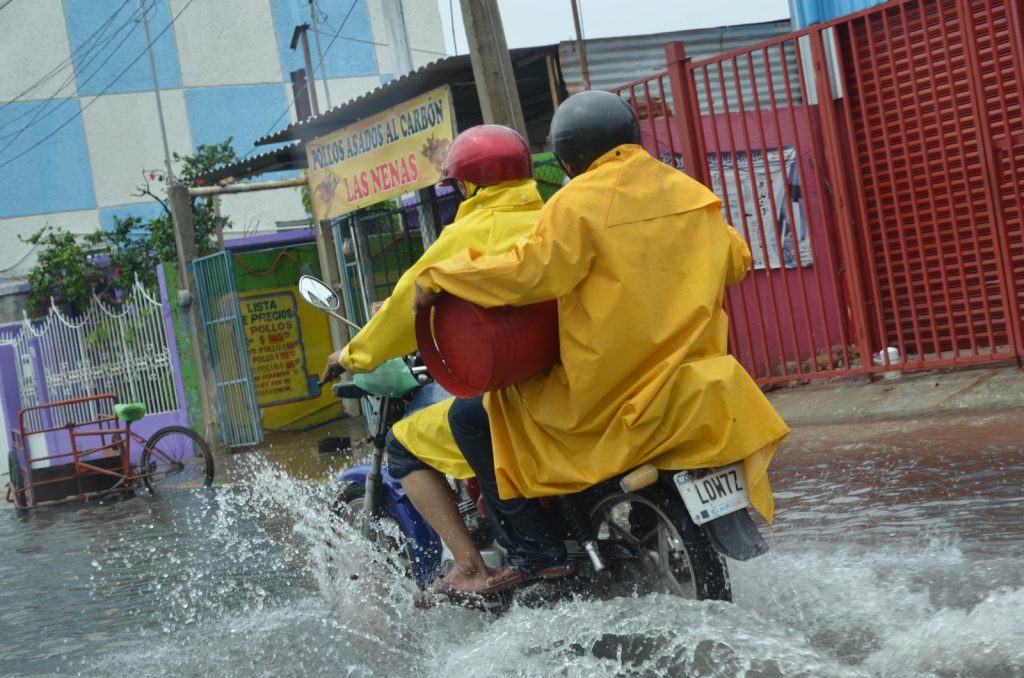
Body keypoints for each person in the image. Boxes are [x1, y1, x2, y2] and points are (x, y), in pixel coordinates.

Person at [413, 90, 791, 597]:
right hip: (691, 379)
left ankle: (535, 556)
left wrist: (444, 276)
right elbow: (736, 260)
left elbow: (531, 274)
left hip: (606, 392)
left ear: (570, 158)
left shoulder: (578, 201)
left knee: (485, 413)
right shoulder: (691, 193)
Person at [321, 124, 545, 597]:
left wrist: (350, 354)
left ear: (472, 184)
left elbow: (407, 306)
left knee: (405, 445)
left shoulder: (468, 233)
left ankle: (468, 565)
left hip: (512, 387)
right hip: (559, 375)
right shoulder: (553, 217)